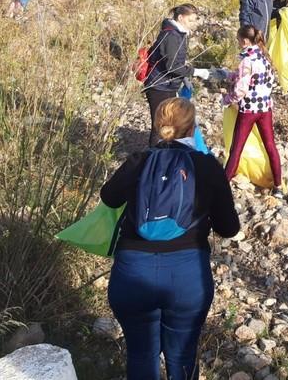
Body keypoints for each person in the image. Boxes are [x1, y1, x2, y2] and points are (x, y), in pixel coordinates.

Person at [101, 97, 240, 380]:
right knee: (182, 356)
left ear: (157, 125)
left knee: (141, 354)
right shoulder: (207, 166)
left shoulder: (139, 161)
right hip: (187, 277)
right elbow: (229, 228)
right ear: (192, 129)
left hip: (132, 274)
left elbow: (109, 197)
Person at [223, 25, 282, 196]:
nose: (238, 42)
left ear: (245, 41)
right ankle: (278, 186)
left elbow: (241, 89)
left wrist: (227, 100)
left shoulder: (246, 60)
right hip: (265, 107)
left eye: (238, 39)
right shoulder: (264, 55)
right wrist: (230, 75)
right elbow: (261, 79)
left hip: (249, 109)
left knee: (237, 147)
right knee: (270, 145)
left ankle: (224, 183)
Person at [142, 5, 206, 145]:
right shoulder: (171, 35)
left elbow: (177, 61)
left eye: (194, 20)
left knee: (170, 123)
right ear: (181, 18)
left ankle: (164, 156)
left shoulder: (180, 33)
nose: (193, 24)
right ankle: (154, 159)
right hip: (159, 85)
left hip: (168, 84)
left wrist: (184, 78)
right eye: (190, 20)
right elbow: (172, 66)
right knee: (160, 126)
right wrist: (195, 72)